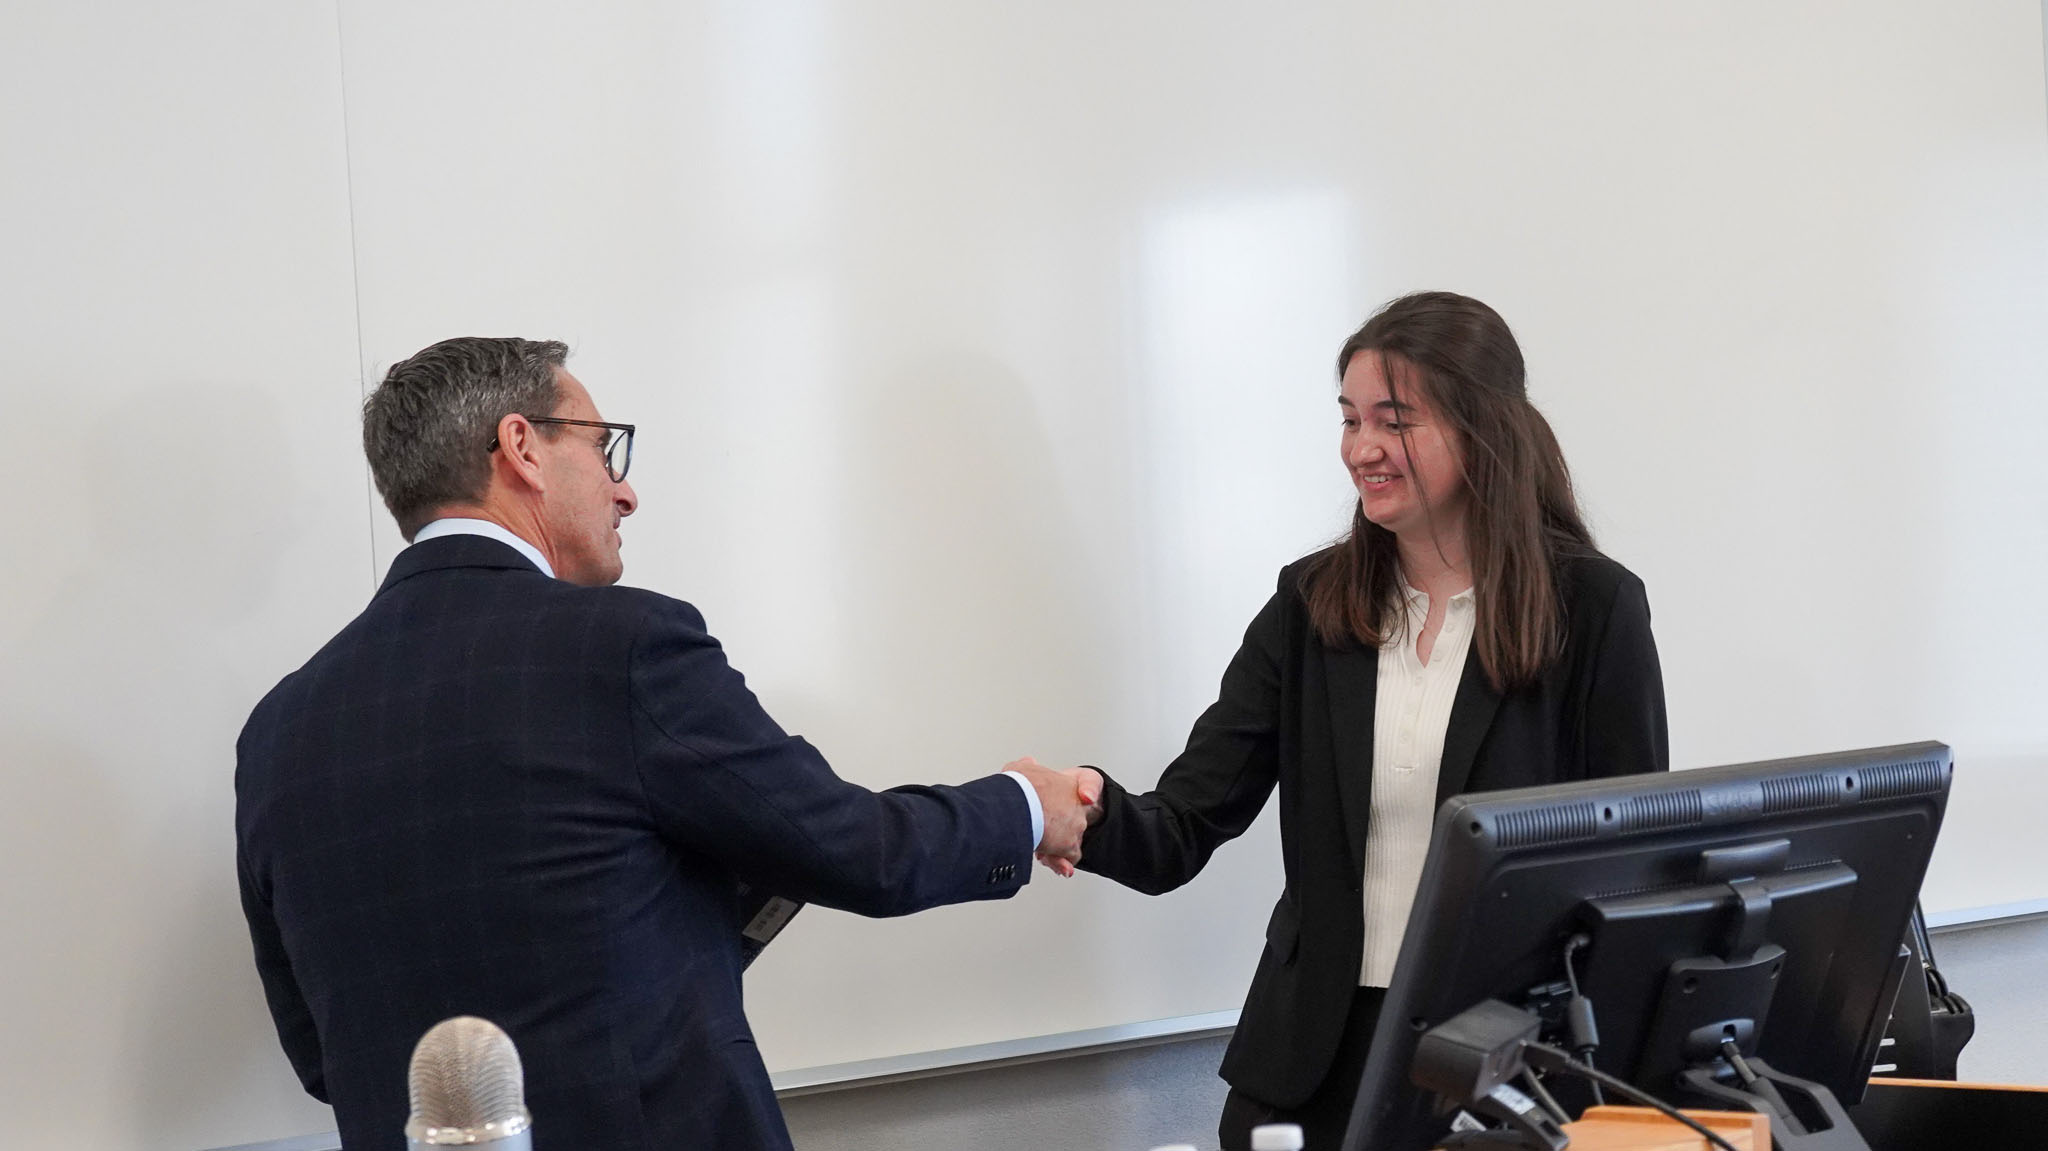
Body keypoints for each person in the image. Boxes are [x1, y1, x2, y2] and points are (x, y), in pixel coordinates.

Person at [234, 337, 1099, 1151]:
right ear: (522, 448)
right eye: (603, 447)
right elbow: (862, 849)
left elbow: (322, 1052)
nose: (625, 490)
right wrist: (1026, 804)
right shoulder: (624, 645)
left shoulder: (278, 729)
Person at [1056, 292, 1669, 1150]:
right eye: (1350, 420)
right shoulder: (1310, 605)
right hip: (1311, 1066)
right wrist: (1084, 807)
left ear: (1483, 427)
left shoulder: (1593, 609)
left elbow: (1631, 873)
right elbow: (1183, 821)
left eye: (1394, 419)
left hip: (1510, 1071)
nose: (1362, 448)